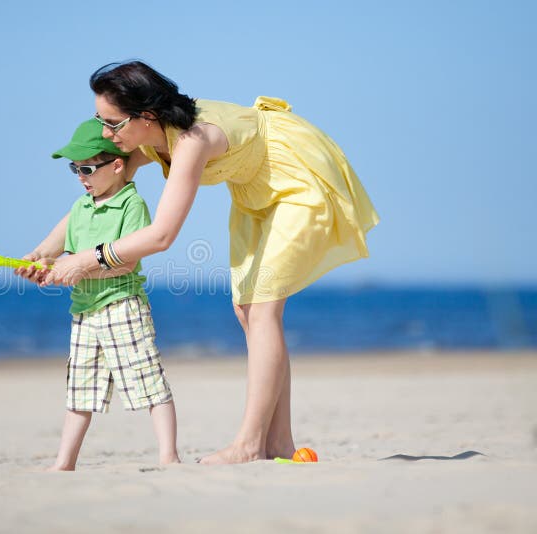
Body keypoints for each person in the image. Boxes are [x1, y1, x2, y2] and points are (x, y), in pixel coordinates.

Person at [21, 61, 379, 465]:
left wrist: (89, 260)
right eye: (99, 120)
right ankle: (279, 443)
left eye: (113, 123)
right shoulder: (137, 141)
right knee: (247, 312)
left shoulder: (192, 140)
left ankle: (248, 444)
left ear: (148, 115)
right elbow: (103, 189)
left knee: (263, 310)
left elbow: (162, 235)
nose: (105, 133)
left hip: (294, 179)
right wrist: (47, 250)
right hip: (254, 191)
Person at [39, 118, 180, 471]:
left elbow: (125, 264)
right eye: (75, 169)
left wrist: (79, 268)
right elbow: (56, 254)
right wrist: (39, 264)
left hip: (122, 305)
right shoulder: (81, 209)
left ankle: (169, 456)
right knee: (79, 392)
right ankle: (64, 463)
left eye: (87, 168)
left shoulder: (132, 206)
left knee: (149, 382)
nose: (81, 176)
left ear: (117, 165)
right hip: (84, 311)